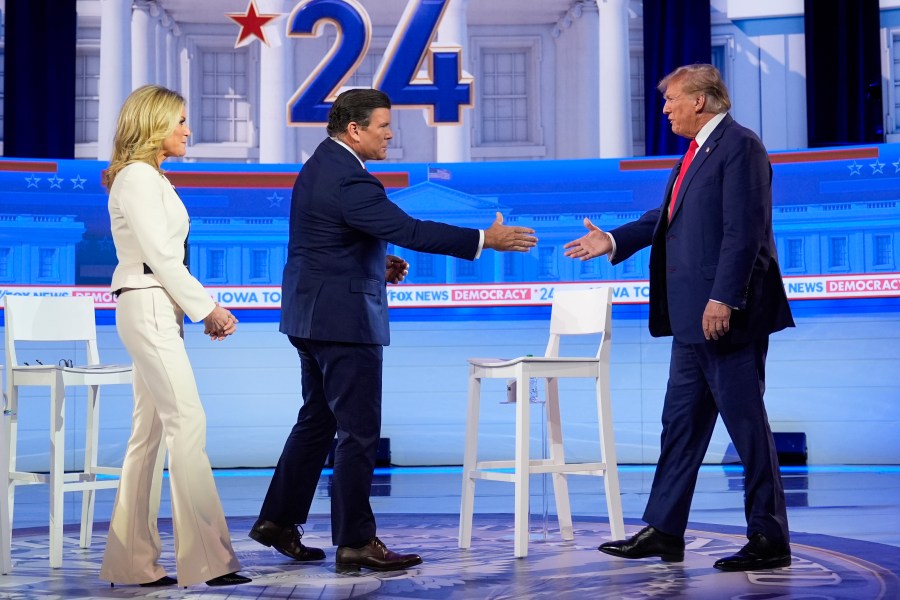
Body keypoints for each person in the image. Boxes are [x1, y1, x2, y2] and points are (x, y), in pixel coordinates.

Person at [249, 88, 538, 572]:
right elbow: (412, 230)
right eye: (383, 125)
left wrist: (372, 266)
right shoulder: (350, 180)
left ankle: (278, 521)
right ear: (355, 129)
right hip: (343, 323)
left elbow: (326, 243)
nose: (390, 134)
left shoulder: (320, 166)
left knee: (317, 421)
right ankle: (356, 541)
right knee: (357, 433)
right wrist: (486, 239)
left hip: (311, 316)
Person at [564, 64, 794, 571]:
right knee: (680, 427)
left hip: (726, 317)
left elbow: (745, 232)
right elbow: (664, 218)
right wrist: (613, 240)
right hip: (691, 321)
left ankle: (769, 537)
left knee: (746, 427)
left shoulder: (741, 147)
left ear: (702, 101)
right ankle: (665, 530)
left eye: (671, 100)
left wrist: (724, 299)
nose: (665, 109)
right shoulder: (694, 154)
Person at [99, 85, 251, 588]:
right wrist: (208, 308)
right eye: (179, 120)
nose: (188, 130)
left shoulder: (148, 177)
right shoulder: (140, 177)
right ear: (153, 125)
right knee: (187, 422)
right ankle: (210, 562)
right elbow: (162, 258)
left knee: (150, 435)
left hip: (153, 305)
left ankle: (132, 564)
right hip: (148, 302)